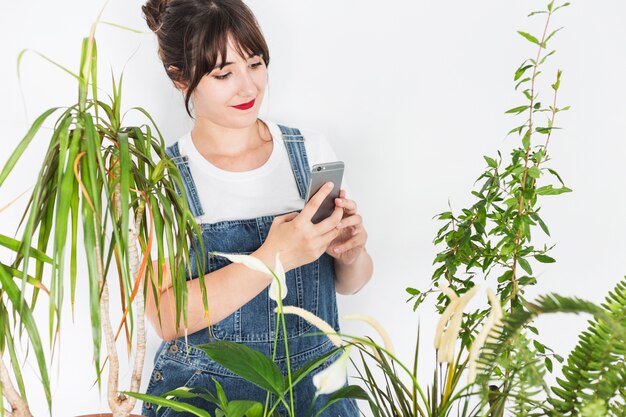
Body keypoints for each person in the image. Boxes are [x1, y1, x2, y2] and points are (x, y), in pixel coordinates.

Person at [140, 0, 374, 416]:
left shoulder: (309, 152)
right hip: (206, 395)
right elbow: (166, 317)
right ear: (180, 78)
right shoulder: (165, 178)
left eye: (255, 63)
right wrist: (274, 256)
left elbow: (350, 283)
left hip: (316, 391)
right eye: (223, 74)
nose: (248, 88)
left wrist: (351, 255)